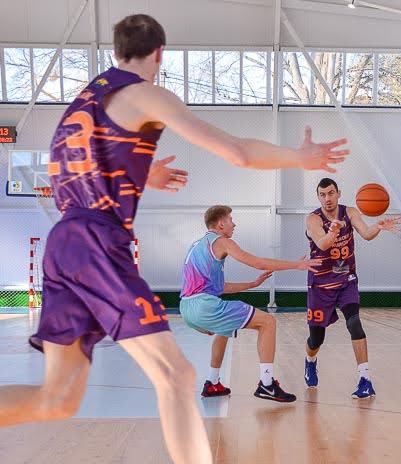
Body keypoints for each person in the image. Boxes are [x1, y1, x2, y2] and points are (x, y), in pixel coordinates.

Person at [0, 14, 349, 464]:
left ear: (115, 51)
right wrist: (297, 157)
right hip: (96, 244)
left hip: (63, 245)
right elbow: (238, 152)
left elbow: (83, 175)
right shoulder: (146, 94)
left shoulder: (84, 102)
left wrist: (141, 174)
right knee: (177, 377)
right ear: (160, 54)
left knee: (57, 398)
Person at [180, 206, 322, 402]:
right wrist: (295, 265)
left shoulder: (196, 245)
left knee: (224, 330)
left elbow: (219, 287)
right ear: (220, 224)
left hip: (187, 309)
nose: (234, 224)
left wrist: (253, 284)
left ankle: (212, 383)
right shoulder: (222, 242)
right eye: (230, 219)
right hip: (204, 306)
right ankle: (267, 384)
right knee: (268, 322)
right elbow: (258, 263)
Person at [304, 178, 401, 398]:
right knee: (316, 339)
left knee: (354, 323)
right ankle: (310, 360)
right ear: (318, 196)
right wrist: (333, 232)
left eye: (331, 193)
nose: (327, 199)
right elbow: (322, 244)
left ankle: (365, 379)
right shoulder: (312, 219)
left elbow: (366, 234)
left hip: (346, 279)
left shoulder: (350, 212)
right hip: (320, 284)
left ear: (339, 193)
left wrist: (377, 226)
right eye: (322, 194)